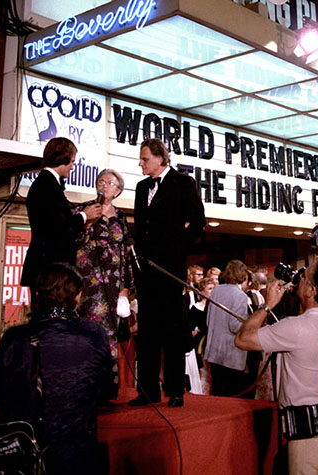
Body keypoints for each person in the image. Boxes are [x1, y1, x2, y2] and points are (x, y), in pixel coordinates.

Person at [0, 263, 114, 475]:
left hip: (27, 453)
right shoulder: (95, 334)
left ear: (38, 295)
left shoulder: (15, 337)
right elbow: (105, 389)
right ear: (77, 297)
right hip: (79, 455)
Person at [235, 259, 318, 475]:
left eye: (303, 277)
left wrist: (268, 304)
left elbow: (242, 338)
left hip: (307, 435)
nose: (298, 279)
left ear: (312, 290)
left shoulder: (295, 327)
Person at [129, 138, 206, 408]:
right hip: (146, 272)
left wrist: (177, 247)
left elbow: (198, 222)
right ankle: (147, 392)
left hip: (170, 271)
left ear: (161, 159)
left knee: (172, 331)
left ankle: (175, 391)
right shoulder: (141, 187)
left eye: (145, 158)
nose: (140, 163)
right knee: (147, 333)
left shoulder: (183, 183)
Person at [74, 168, 134, 399]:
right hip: (88, 285)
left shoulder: (120, 216)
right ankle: (85, 389)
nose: (104, 185)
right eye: (101, 181)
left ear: (118, 190)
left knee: (110, 338)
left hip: (113, 288)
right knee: (88, 335)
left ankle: (107, 390)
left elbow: (127, 254)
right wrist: (89, 221)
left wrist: (125, 289)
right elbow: (71, 239)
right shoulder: (83, 209)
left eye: (110, 182)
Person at [21, 137, 102, 304]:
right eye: (72, 161)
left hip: (48, 271)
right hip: (49, 273)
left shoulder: (47, 184)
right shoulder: (46, 187)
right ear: (62, 159)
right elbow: (59, 229)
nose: (73, 166)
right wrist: (84, 215)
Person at [204, 260, 252, 397]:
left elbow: (208, 321)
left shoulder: (216, 290)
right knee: (231, 395)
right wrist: (251, 323)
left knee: (217, 393)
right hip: (230, 353)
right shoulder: (241, 296)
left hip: (214, 350)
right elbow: (235, 326)